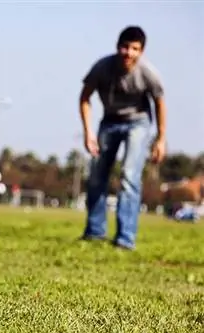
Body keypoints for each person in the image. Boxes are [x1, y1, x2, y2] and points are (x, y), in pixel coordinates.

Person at [78, 26, 167, 250]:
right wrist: (88, 132)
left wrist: (160, 138)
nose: (129, 53)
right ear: (118, 47)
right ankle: (95, 232)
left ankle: (125, 238)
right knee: (98, 174)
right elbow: (85, 98)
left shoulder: (148, 73)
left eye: (135, 49)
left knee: (129, 175)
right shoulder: (102, 67)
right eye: (125, 47)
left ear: (142, 51)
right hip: (109, 121)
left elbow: (159, 104)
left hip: (138, 123)